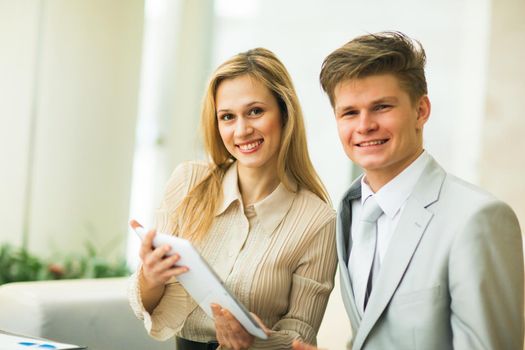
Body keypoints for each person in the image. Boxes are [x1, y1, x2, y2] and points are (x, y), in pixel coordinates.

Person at [293, 31, 524, 350]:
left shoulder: (478, 219)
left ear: (421, 111)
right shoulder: (349, 210)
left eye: (381, 107)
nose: (364, 125)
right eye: (349, 112)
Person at [128, 48, 338, 350]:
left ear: (284, 113)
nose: (242, 130)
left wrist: (255, 341)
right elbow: (144, 305)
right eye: (227, 117)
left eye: (255, 111)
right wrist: (151, 276)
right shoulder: (189, 181)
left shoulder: (317, 220)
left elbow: (302, 334)